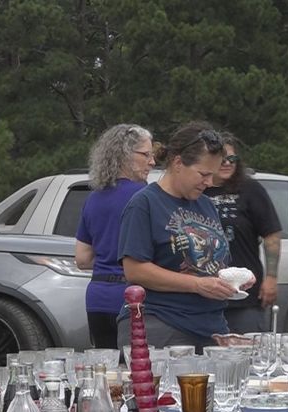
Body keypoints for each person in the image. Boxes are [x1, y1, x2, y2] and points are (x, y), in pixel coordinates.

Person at [116, 122, 248, 350]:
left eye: (212, 176)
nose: (209, 183)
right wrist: (197, 285)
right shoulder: (144, 204)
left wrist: (234, 281)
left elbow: (209, 264)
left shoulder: (206, 205)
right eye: (203, 174)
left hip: (213, 328)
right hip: (162, 325)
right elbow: (135, 270)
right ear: (178, 163)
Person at [75, 124, 155, 348]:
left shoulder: (93, 198)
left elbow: (82, 259)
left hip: (98, 298)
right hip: (134, 299)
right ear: (124, 155)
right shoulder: (146, 197)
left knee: (108, 373)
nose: (152, 161)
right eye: (146, 155)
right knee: (137, 371)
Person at [204, 132, 282, 333]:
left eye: (232, 159)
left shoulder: (250, 189)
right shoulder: (195, 191)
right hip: (203, 295)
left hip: (244, 295)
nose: (227, 163)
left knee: (247, 353)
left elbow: (271, 234)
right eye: (222, 159)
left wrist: (271, 278)